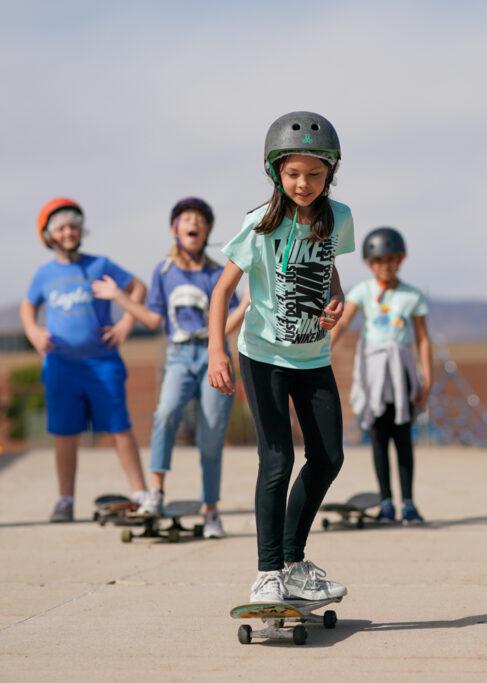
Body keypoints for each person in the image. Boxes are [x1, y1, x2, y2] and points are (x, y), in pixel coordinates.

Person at [208, 111, 354, 603]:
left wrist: (336, 301)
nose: (303, 183)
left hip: (313, 356)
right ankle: (268, 572)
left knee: (329, 456)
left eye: (314, 174)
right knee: (277, 459)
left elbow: (330, 271)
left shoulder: (340, 218)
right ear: (276, 173)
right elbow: (221, 292)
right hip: (263, 355)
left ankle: (294, 560)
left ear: (330, 173)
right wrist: (217, 351)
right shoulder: (259, 224)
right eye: (293, 174)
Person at [92, 196, 248, 538]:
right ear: (174, 229)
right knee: (165, 414)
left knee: (210, 437)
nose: (194, 222)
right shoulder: (164, 272)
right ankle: (156, 493)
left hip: (212, 354)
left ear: (206, 231)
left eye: (200, 219)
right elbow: (151, 319)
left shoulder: (216, 273)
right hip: (178, 356)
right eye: (186, 218)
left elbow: (228, 320)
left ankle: (211, 511)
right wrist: (119, 297)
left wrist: (248, 300)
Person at [19, 197, 153, 522]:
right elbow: (27, 306)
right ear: (49, 235)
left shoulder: (100, 264)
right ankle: (65, 499)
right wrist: (34, 332)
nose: (68, 233)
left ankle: (140, 493)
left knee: (119, 427)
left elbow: (138, 287)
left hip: (103, 362)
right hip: (61, 366)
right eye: (61, 228)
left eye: (74, 227)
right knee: (65, 433)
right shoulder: (44, 274)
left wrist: (125, 323)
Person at [331, 227, 433, 524]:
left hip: (400, 372)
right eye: (378, 261)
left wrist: (427, 378)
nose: (384, 266)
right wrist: (324, 349)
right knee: (378, 438)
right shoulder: (362, 291)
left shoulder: (412, 296)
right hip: (374, 374)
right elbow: (344, 322)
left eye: (390, 260)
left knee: (402, 439)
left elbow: (423, 339)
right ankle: (386, 500)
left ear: (400, 259)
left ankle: (409, 502)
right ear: (368, 263)